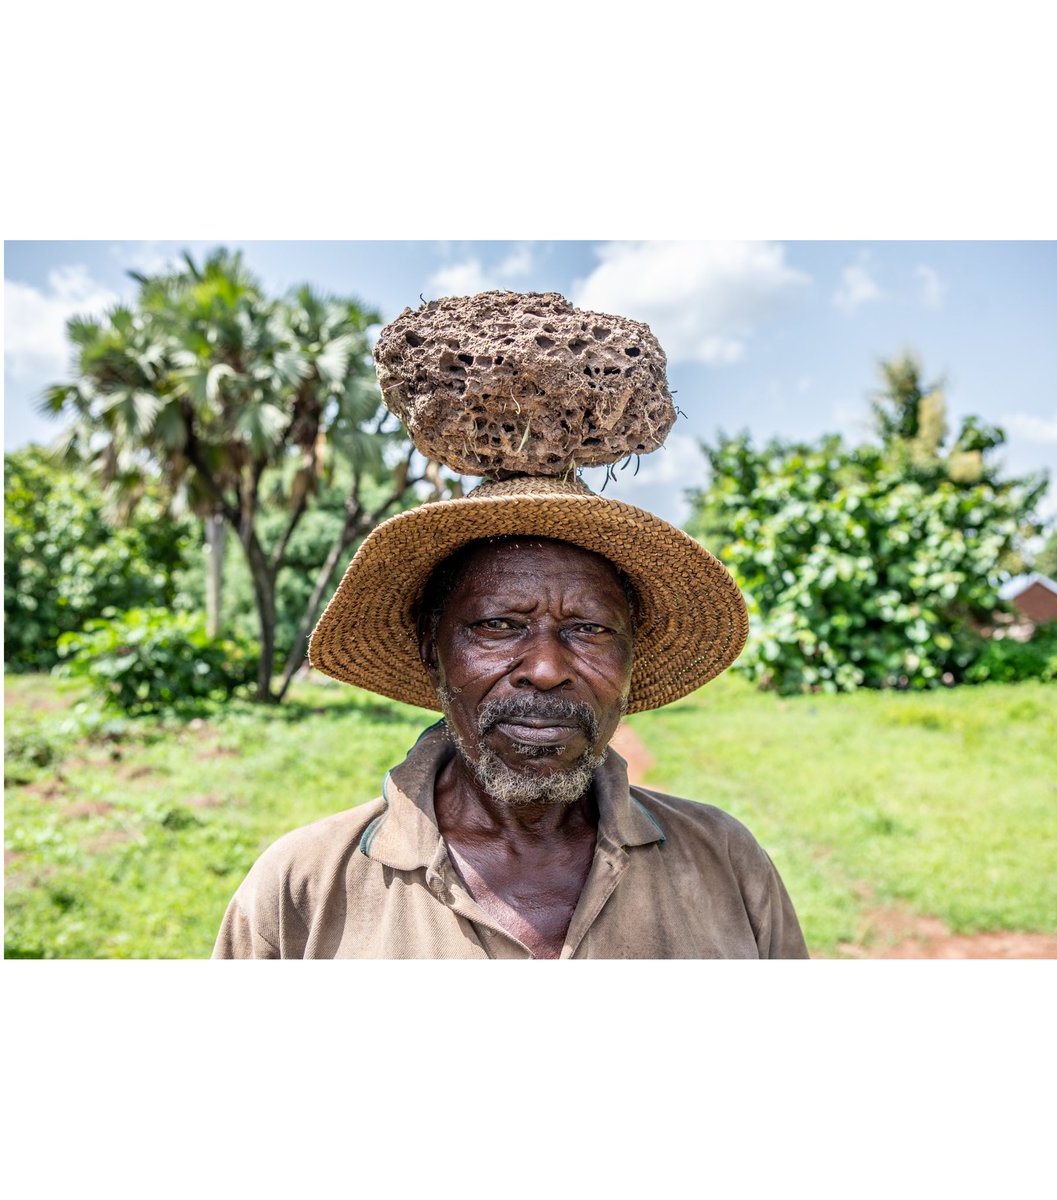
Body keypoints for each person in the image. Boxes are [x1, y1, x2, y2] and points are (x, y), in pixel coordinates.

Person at [212, 292, 807, 959]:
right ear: (432, 650)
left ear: (633, 657)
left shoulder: (727, 864)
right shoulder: (301, 892)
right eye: (498, 625)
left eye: (589, 630)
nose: (547, 670)